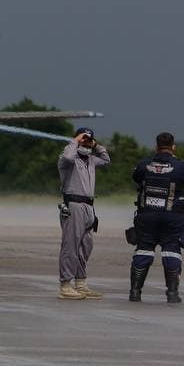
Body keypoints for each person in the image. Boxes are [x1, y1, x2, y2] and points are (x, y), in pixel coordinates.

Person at [129, 132, 184, 303]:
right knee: (172, 251)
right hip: (172, 218)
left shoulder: (143, 165)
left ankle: (135, 292)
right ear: (173, 147)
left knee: (144, 249)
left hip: (147, 216)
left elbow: (135, 177)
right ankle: (172, 293)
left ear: (156, 147)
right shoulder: (182, 167)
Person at [57, 127, 110, 300]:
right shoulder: (68, 160)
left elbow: (106, 160)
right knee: (70, 246)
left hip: (89, 207)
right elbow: (67, 156)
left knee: (86, 246)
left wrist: (96, 145)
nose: (86, 143)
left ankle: (81, 283)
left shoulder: (91, 160)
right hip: (73, 204)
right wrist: (76, 140)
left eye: (89, 140)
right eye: (84, 140)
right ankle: (65, 285)